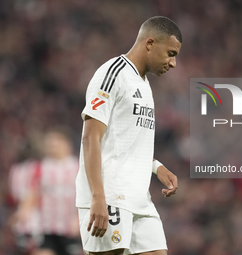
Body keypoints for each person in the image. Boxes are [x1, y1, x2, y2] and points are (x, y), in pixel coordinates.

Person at [75, 16, 182, 255]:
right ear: (150, 43)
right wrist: (98, 197)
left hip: (139, 199)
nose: (173, 63)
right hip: (110, 195)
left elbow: (125, 141)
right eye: (171, 53)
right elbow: (90, 138)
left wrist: (157, 168)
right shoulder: (114, 74)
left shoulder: (143, 84)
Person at [11, 127, 82, 255]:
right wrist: (23, 211)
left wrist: (79, 219)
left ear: (66, 144)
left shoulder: (78, 168)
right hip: (46, 228)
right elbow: (33, 193)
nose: (51, 146)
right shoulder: (39, 168)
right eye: (49, 144)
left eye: (55, 143)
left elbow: (86, 196)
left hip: (71, 229)